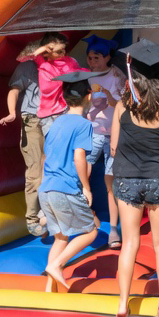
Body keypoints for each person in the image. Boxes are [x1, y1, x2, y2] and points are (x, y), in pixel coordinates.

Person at [111, 39, 159, 317]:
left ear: (134, 76)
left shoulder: (122, 108)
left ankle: (123, 303)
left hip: (127, 180)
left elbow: (114, 147)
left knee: (130, 243)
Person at [39, 70, 102, 293]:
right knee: (90, 232)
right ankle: (56, 266)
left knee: (61, 238)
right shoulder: (83, 124)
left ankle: (50, 287)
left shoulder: (55, 123)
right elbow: (79, 157)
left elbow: (45, 157)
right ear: (89, 97)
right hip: (65, 188)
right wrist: (86, 187)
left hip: (47, 188)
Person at [81, 35, 127, 249]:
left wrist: (108, 95)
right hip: (93, 130)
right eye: (90, 58)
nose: (92, 62)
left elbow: (121, 103)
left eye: (96, 58)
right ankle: (85, 213)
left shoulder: (117, 75)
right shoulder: (85, 76)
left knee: (111, 182)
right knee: (83, 169)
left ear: (108, 57)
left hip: (112, 132)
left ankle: (114, 228)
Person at [0, 40, 47, 237]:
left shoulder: (60, 66)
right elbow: (14, 90)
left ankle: (49, 212)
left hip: (54, 119)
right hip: (34, 120)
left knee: (53, 166)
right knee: (36, 170)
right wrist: (12, 112)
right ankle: (33, 217)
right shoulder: (28, 67)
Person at [29, 32, 82, 135]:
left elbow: (77, 74)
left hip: (61, 109)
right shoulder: (43, 62)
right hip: (46, 114)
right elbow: (31, 55)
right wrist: (43, 48)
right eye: (58, 51)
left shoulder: (67, 62)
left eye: (64, 50)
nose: (62, 54)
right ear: (48, 52)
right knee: (52, 143)